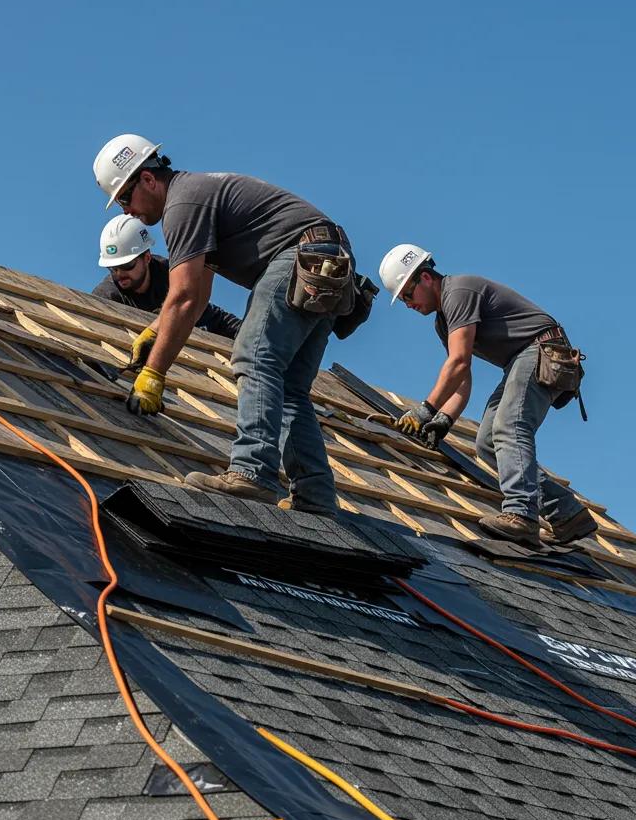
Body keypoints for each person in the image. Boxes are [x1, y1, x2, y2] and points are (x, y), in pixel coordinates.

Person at [93, 133, 357, 513]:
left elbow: (183, 297)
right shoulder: (196, 197)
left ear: (147, 179)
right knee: (290, 387)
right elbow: (198, 297)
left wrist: (154, 374)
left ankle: (252, 472)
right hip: (329, 261)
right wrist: (156, 330)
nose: (127, 212)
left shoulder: (182, 205)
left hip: (301, 255)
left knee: (254, 358)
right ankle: (315, 496)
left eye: (124, 199)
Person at [378, 243, 595, 548]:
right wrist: (444, 420)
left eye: (407, 295)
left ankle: (521, 515)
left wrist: (425, 409)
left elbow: (458, 363)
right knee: (487, 442)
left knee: (510, 427)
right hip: (521, 359)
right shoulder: (444, 322)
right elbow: (462, 378)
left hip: (540, 350)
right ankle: (567, 514)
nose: (407, 304)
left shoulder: (459, 292)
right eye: (402, 299)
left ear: (425, 277)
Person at [93, 215, 241, 339]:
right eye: (113, 268)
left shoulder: (170, 276)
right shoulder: (106, 297)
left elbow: (213, 318)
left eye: (127, 265)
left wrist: (246, 335)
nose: (119, 274)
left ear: (147, 258)